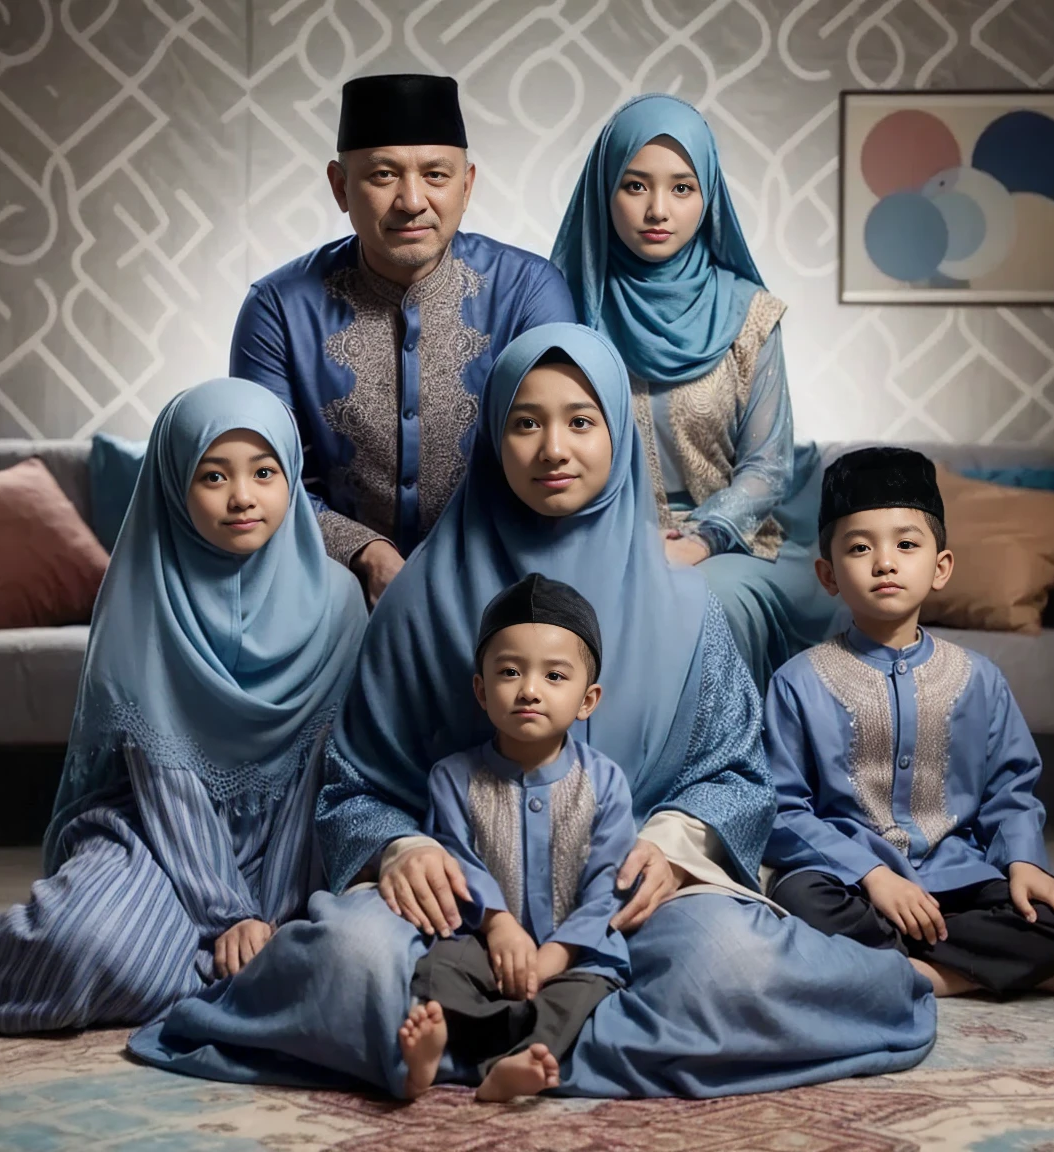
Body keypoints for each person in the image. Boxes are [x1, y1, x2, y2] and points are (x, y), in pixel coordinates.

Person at [127, 324, 935, 1098]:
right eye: (525, 423)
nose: (553, 449)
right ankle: (573, 1036)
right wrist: (403, 849)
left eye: (581, 421)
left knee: (729, 964)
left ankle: (465, 1043)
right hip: (448, 907)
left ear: (619, 431)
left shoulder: (688, 607)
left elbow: (734, 773)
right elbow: (354, 786)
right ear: (491, 438)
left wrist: (671, 843)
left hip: (622, 902)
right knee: (352, 962)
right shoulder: (417, 598)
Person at [0, 379, 366, 1032]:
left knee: (321, 959)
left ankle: (214, 961)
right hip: (159, 837)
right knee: (84, 953)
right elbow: (165, 780)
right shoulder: (145, 593)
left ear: (291, 478)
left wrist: (273, 918)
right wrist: (229, 915)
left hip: (294, 846)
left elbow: (319, 774)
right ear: (173, 483)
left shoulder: (338, 603)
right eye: (213, 476)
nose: (243, 497)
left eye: (264, 472)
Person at [763, 446, 1054, 998]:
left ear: (940, 567)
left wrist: (1023, 863)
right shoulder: (798, 682)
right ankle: (970, 974)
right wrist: (874, 876)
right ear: (827, 574)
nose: (885, 562)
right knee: (800, 902)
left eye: (906, 544)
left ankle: (902, 974)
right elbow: (781, 809)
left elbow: (1009, 794)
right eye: (858, 548)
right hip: (852, 885)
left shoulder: (980, 680)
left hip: (956, 877)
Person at [231, 73, 576, 606]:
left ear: (468, 184)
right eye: (383, 175)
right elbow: (262, 475)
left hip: (500, 577)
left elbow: (552, 457)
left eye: (436, 175)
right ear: (340, 187)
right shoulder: (277, 308)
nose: (412, 201)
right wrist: (364, 553)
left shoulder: (529, 292)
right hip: (327, 586)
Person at [552, 93, 836, 688]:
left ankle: (724, 776)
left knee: (707, 600)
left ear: (709, 197)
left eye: (682, 188)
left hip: (731, 544)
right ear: (604, 191)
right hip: (596, 536)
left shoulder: (750, 315)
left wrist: (699, 539)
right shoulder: (563, 308)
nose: (659, 210)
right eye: (635, 186)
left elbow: (767, 468)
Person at [399, 573, 635, 1102]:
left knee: (586, 992)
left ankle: (507, 1068)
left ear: (587, 699)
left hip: (572, 954)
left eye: (554, 676)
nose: (529, 689)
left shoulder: (605, 783)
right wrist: (499, 925)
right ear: (481, 691)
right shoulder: (453, 778)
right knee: (439, 971)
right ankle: (433, 1055)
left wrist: (554, 957)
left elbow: (610, 889)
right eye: (509, 672)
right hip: (483, 943)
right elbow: (455, 861)